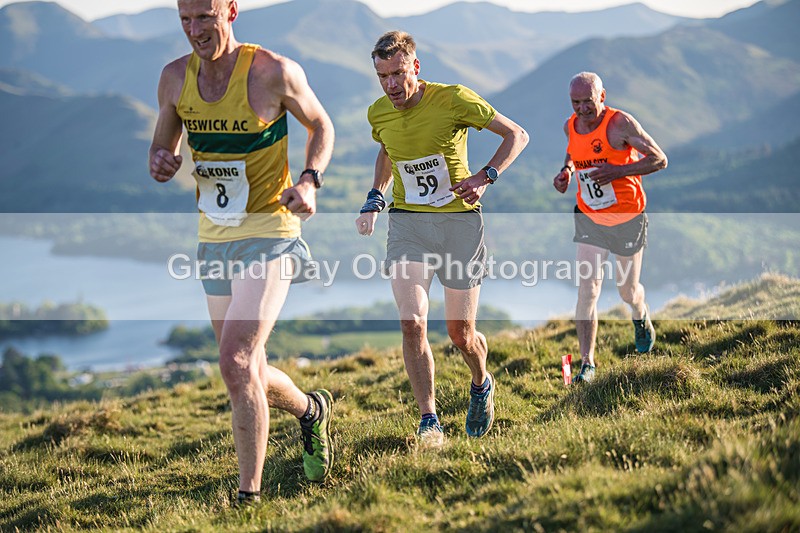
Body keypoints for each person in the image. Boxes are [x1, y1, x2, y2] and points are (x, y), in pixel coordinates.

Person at [149, 0, 335, 505]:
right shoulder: (174, 78)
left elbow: (321, 125)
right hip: (214, 238)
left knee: (235, 360)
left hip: (271, 231)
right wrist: (161, 160)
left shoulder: (272, 71)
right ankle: (312, 411)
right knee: (246, 369)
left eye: (204, 17)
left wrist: (309, 180)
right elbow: (162, 147)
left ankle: (248, 499)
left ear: (230, 11)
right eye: (185, 19)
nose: (194, 30)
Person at [355, 31, 528, 447]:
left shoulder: (453, 99)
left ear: (415, 66)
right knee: (412, 322)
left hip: (458, 224)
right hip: (408, 223)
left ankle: (481, 382)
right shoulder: (378, 113)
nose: (391, 85)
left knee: (460, 334)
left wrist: (485, 177)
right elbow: (388, 150)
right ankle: (429, 419)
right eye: (383, 76)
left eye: (398, 73)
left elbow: (516, 135)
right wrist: (375, 197)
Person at [553, 71, 667, 383]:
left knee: (627, 290)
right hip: (590, 217)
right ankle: (587, 364)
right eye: (575, 102)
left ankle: (640, 314)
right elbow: (573, 151)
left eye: (588, 102)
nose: (582, 109)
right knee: (588, 289)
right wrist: (566, 171)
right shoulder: (570, 125)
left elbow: (659, 159)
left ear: (602, 97)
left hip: (627, 217)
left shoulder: (620, 124)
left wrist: (618, 171)